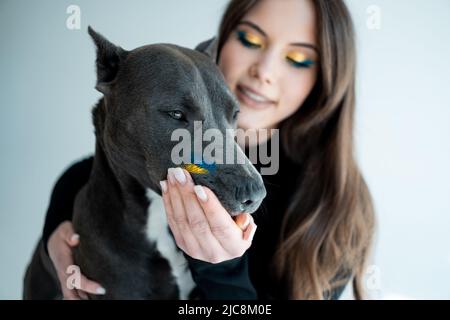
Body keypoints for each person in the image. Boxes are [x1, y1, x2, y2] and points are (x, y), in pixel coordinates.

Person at [42, 0, 375, 300]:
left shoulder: (333, 211)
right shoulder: (79, 182)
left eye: (298, 59)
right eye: (251, 40)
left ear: (326, 79)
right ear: (221, 43)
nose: (265, 71)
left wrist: (222, 273)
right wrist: (55, 249)